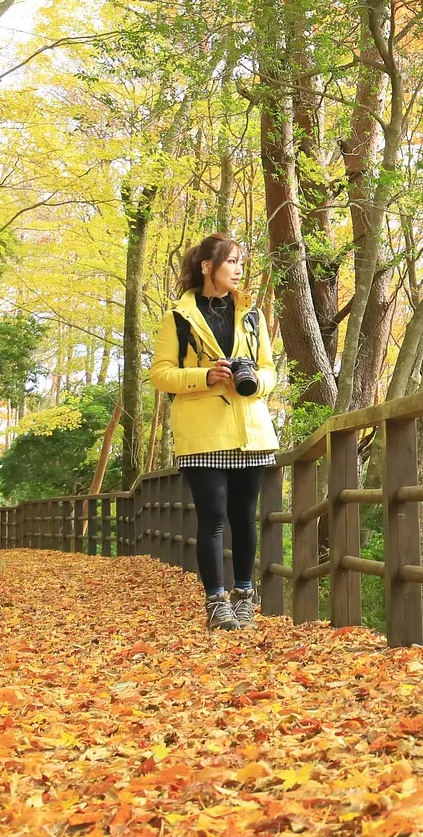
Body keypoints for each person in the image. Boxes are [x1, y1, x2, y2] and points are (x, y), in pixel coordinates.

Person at [148, 235, 278, 631]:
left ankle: (244, 598)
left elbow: (269, 370)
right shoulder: (178, 318)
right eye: (231, 262)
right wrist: (205, 376)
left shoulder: (253, 316)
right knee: (213, 516)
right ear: (207, 266)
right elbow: (161, 374)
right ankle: (216, 603)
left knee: (245, 517)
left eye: (241, 262)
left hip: (250, 429)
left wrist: (256, 382)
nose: (238, 270)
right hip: (201, 430)